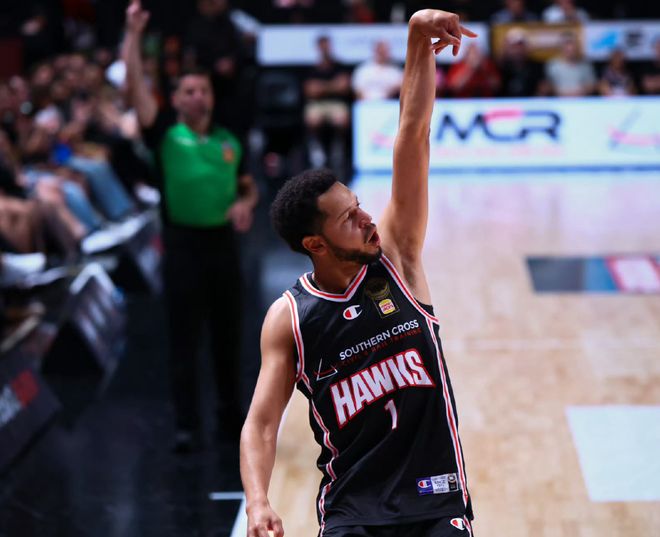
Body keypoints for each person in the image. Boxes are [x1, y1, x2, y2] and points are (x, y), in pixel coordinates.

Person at [241, 9, 476, 537]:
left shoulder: (398, 257)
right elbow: (261, 424)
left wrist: (416, 39)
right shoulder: (290, 319)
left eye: (359, 205)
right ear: (315, 244)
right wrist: (257, 502)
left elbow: (412, 136)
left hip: (435, 502)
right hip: (353, 512)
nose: (368, 219)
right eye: (349, 218)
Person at [122, 0, 259, 452]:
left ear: (212, 97)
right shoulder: (164, 134)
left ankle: (230, 420)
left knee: (228, 340)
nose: (198, 97)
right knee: (183, 341)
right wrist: (133, 34)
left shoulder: (228, 140)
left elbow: (247, 187)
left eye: (203, 90)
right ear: (177, 99)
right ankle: (186, 425)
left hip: (223, 248)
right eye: (189, 91)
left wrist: (244, 203)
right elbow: (136, 88)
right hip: (181, 248)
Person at [302, 36, 351, 170]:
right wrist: (333, 85)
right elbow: (310, 90)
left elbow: (344, 87)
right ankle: (317, 149)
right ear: (318, 48)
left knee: (341, 119)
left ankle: (338, 148)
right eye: (322, 46)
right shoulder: (312, 68)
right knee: (313, 119)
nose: (325, 48)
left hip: (336, 103)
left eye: (327, 45)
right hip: (318, 104)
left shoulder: (340, 66)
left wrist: (321, 87)